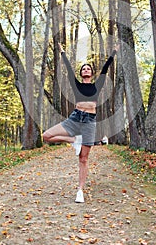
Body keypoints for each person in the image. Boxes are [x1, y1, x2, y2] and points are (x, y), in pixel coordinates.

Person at [43, 42, 119, 203]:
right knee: (46, 136)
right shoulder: (76, 84)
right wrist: (62, 52)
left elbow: (105, 68)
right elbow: (69, 69)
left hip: (89, 122)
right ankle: (73, 140)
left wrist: (113, 52)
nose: (86, 70)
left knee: (83, 159)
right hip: (75, 119)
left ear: (91, 73)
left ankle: (80, 191)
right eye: (83, 68)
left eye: (88, 69)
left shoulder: (97, 85)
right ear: (81, 73)